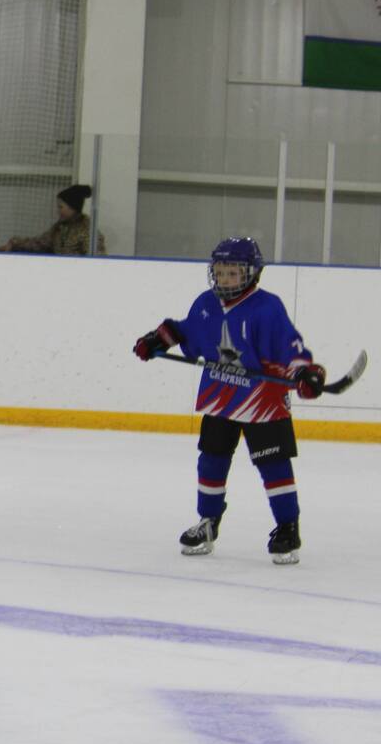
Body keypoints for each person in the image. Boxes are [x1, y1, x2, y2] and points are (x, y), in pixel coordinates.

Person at [133, 237, 326, 565]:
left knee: (273, 465)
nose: (224, 279)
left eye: (233, 273)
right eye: (220, 272)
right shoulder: (206, 303)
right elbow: (186, 331)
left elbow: (289, 348)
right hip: (220, 398)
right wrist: (158, 339)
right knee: (211, 461)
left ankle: (287, 527)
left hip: (263, 402)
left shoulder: (267, 307)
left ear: (251, 274)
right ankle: (208, 522)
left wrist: (306, 373)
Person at [0, 184, 92, 254]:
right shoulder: (59, 228)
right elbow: (40, 243)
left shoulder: (86, 229)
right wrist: (16, 243)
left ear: (72, 208)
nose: (58, 211)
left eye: (61, 207)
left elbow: (95, 257)